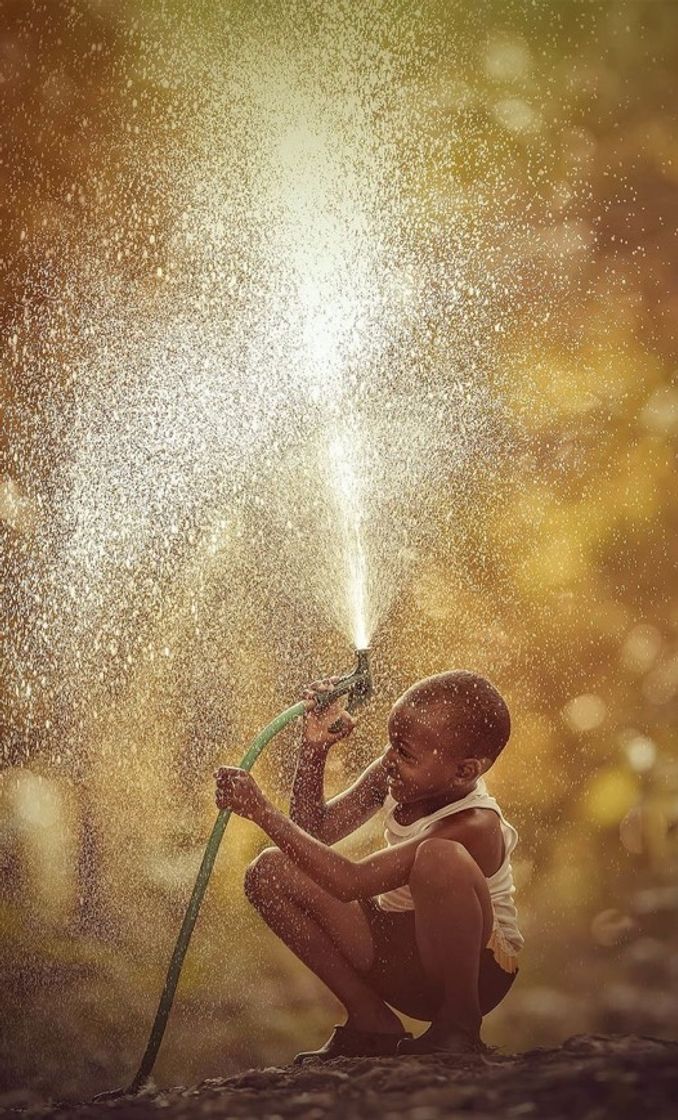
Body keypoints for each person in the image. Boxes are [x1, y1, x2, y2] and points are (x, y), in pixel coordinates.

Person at [214, 669, 524, 1062]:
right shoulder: (396, 775)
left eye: (405, 753)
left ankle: (459, 1025)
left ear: (465, 771)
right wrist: (314, 749)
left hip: (478, 974)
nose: (391, 759)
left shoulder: (476, 824)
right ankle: (370, 1021)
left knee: (438, 857)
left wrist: (261, 811)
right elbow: (312, 833)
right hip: (399, 956)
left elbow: (351, 882)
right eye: (391, 744)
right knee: (270, 871)